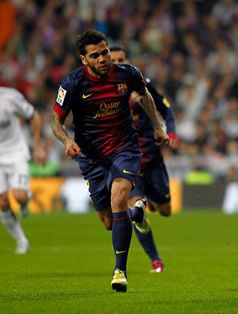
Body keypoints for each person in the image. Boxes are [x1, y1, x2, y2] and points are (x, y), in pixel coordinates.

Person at [51, 29, 168, 292]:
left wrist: (157, 126)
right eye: (96, 55)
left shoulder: (128, 74)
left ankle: (120, 271)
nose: (103, 59)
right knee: (107, 221)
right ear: (84, 59)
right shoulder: (72, 84)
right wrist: (67, 141)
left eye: (104, 52)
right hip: (92, 157)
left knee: (119, 197)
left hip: (125, 147)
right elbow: (56, 122)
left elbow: (145, 96)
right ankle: (135, 217)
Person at [110, 45, 179, 273]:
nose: (119, 63)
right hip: (128, 162)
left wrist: (172, 131)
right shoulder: (103, 91)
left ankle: (152, 202)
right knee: (136, 213)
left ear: (127, 60)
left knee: (166, 210)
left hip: (153, 160)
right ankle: (155, 260)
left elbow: (167, 110)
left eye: (122, 59)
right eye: (114, 60)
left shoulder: (141, 84)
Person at [0, 87, 46, 254]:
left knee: (19, 196)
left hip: (15, 153)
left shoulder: (10, 97)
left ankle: (25, 200)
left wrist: (38, 146)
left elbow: (33, 115)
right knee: (3, 202)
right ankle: (21, 241)